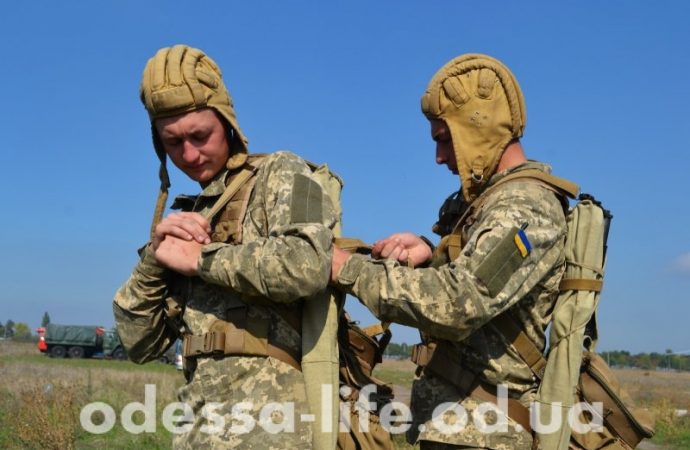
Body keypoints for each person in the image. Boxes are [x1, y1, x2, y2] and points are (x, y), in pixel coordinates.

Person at [330, 54, 572, 449]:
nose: (439, 157)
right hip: (458, 427)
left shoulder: (526, 206)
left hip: (485, 432)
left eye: (445, 139)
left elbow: (460, 303)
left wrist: (348, 269)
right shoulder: (488, 203)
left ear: (478, 128)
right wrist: (431, 253)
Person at [113, 45, 338, 448]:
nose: (189, 154)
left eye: (201, 135)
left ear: (227, 121)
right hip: (198, 429)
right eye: (172, 142)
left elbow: (307, 264)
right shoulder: (187, 215)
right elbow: (139, 344)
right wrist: (154, 260)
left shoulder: (280, 172)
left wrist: (201, 259)